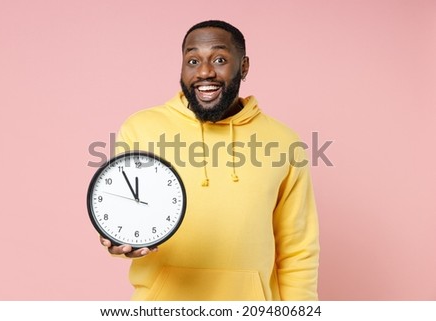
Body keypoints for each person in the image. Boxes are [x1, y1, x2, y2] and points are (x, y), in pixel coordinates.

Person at [99, 20, 320, 301]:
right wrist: (119, 238)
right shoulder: (141, 128)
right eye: (192, 60)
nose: (204, 72)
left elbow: (298, 249)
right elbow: (124, 211)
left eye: (219, 59)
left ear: (244, 66)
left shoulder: (285, 141)